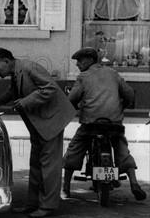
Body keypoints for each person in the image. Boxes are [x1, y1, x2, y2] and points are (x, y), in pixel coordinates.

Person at [0, 48, 76, 218]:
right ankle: (32, 203)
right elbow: (13, 91)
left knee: (49, 166)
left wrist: (27, 102)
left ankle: (48, 206)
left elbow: (50, 88)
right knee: (36, 163)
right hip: (40, 123)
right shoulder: (17, 72)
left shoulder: (30, 68)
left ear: (7, 62)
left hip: (52, 121)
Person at [62, 47, 146, 201]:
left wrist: (75, 106)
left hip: (91, 124)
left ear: (89, 60)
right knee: (122, 149)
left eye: (79, 61)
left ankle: (66, 189)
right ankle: (134, 183)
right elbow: (129, 94)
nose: (77, 64)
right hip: (114, 124)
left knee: (74, 149)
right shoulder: (112, 73)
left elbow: (71, 99)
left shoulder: (83, 77)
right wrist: (122, 106)